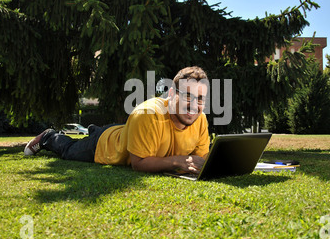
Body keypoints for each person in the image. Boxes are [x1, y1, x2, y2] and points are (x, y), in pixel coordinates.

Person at [24, 66, 210, 175]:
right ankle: (49, 137)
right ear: (171, 94)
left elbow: (201, 159)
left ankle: (94, 130)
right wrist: (177, 161)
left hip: (129, 132)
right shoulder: (148, 114)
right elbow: (138, 164)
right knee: (69, 151)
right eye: (187, 96)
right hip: (106, 144)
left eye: (200, 99)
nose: (194, 105)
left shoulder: (200, 120)